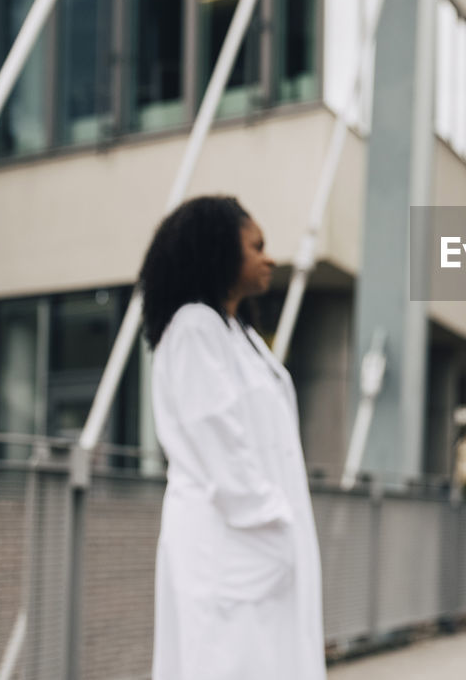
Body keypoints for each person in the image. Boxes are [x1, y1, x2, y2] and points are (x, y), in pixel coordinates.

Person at [140, 196, 325, 680]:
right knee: (224, 660)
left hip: (250, 539)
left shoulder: (234, 331)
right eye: (257, 246)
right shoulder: (194, 328)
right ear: (220, 250)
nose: (271, 258)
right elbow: (218, 436)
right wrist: (271, 519)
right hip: (228, 539)